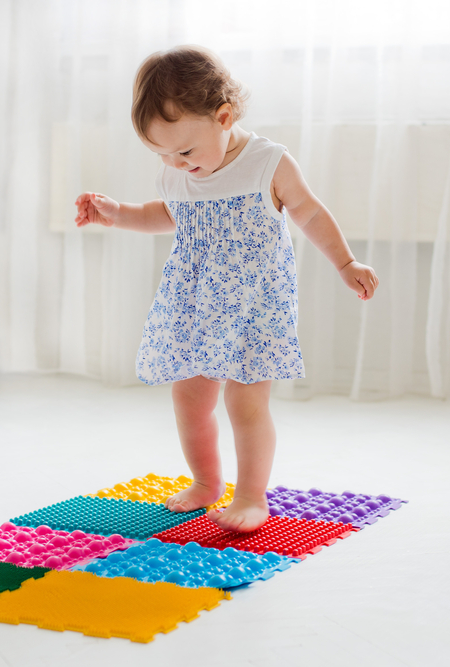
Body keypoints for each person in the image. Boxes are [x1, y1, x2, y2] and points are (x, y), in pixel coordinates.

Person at [74, 46, 379, 532]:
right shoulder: (179, 172)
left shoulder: (267, 164)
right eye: (162, 154)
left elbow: (311, 213)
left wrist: (345, 262)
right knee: (190, 397)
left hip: (256, 303)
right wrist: (118, 214)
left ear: (223, 117)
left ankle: (253, 496)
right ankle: (205, 482)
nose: (175, 164)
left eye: (185, 151)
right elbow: (166, 214)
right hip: (196, 304)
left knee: (244, 401)